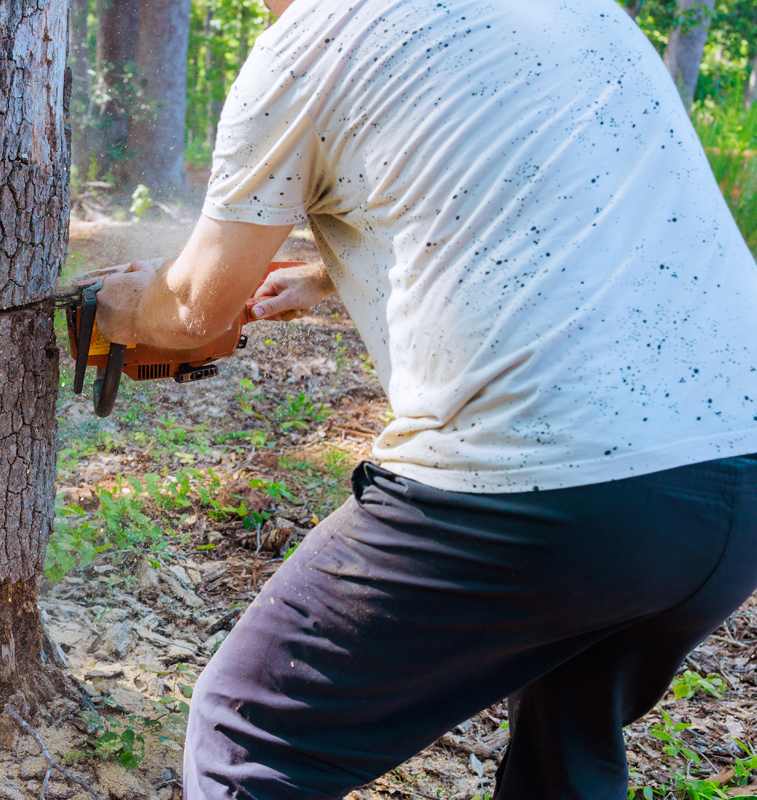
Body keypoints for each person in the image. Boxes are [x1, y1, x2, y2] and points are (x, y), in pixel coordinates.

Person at [91, 0, 757, 797]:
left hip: (545, 492)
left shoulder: (309, 47)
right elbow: (549, 205)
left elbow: (195, 309)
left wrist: (117, 307)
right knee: (566, 748)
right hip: (733, 476)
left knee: (248, 731)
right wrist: (330, 273)